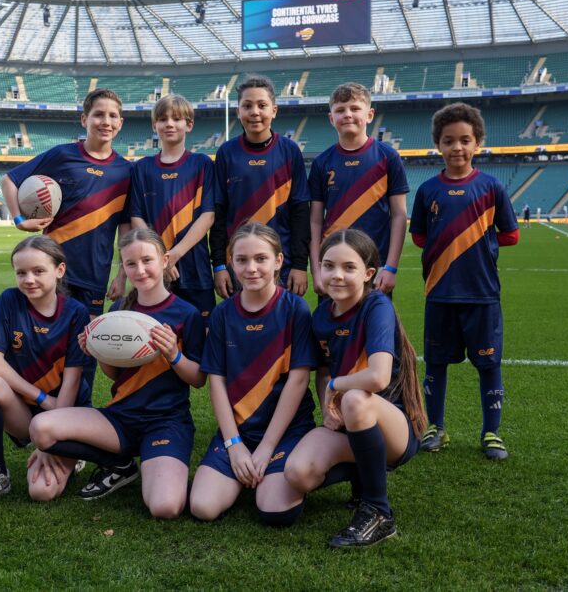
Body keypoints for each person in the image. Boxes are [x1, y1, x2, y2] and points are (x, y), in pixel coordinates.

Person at [29, 229, 206, 518]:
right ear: (123, 267)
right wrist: (96, 352)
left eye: (147, 260)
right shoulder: (117, 311)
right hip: (120, 419)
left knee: (165, 507)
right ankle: (119, 464)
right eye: (130, 264)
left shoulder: (186, 314)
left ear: (164, 261)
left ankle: (155, 465)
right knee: (40, 428)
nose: (140, 270)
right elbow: (115, 375)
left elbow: (198, 380)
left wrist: (174, 354)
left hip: (165, 422)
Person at [284, 228, 427, 547]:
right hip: (350, 422)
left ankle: (378, 511)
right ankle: (363, 476)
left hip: (394, 428)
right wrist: (327, 410)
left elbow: (378, 378)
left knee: (354, 399)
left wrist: (337, 386)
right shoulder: (320, 316)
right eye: (328, 266)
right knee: (298, 473)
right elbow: (323, 372)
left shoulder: (377, 306)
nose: (337, 275)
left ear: (368, 274)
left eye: (349, 267)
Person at [410, 103, 519, 460]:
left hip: (482, 293)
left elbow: (511, 235)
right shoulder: (427, 190)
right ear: (438, 145)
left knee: (489, 364)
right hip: (439, 292)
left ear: (478, 143)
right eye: (448, 141)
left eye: (465, 140)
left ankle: (491, 433)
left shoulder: (491, 187)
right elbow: (419, 237)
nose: (457, 147)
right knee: (436, 362)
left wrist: (475, 243)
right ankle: (436, 428)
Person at [190, 222, 317, 527]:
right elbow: (216, 382)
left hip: (285, 431)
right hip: (240, 431)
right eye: (242, 260)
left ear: (278, 261)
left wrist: (267, 448)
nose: (251, 268)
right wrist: (234, 444)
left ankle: (274, 469)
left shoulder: (296, 309)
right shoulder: (222, 314)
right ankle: (246, 467)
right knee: (202, 507)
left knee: (275, 511)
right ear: (231, 263)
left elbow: (299, 380)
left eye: (261, 259)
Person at [0, 235, 95, 506]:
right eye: (21, 272)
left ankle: (73, 452)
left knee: (41, 493)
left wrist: (49, 438)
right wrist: (42, 399)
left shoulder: (76, 312)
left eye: (38, 271)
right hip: (26, 412)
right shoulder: (9, 300)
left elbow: (72, 381)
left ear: (59, 270)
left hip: (65, 412)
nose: (29, 279)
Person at [1, 88, 131, 316]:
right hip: (51, 266)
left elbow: (125, 227)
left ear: (120, 123)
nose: (106, 122)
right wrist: (19, 219)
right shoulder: (62, 156)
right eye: (98, 114)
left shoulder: (126, 171)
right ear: (84, 119)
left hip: (94, 274)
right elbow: (9, 180)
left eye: (112, 116)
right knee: (47, 330)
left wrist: (122, 276)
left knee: (86, 335)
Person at [208, 75, 311, 298]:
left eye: (262, 105)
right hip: (238, 263)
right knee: (240, 319)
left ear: (274, 110)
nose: (254, 112)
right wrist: (219, 265)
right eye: (247, 106)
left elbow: (300, 212)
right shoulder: (226, 153)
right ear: (238, 112)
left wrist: (300, 265)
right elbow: (219, 214)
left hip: (280, 263)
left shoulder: (290, 151)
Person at [308, 82, 408, 296]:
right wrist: (317, 270)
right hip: (333, 267)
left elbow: (399, 215)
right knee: (332, 318)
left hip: (375, 267)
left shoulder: (388, 157)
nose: (347, 114)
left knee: (374, 318)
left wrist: (390, 268)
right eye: (340, 110)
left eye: (355, 108)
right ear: (331, 118)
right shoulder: (321, 163)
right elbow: (315, 220)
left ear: (370, 115)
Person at [128, 94, 216, 326]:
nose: (169, 124)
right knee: (152, 336)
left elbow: (208, 216)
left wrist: (171, 256)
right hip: (153, 270)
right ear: (154, 126)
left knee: (200, 338)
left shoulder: (202, 164)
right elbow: (136, 218)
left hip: (195, 269)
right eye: (163, 119)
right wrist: (159, 259)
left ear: (189, 125)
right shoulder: (142, 168)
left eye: (176, 119)